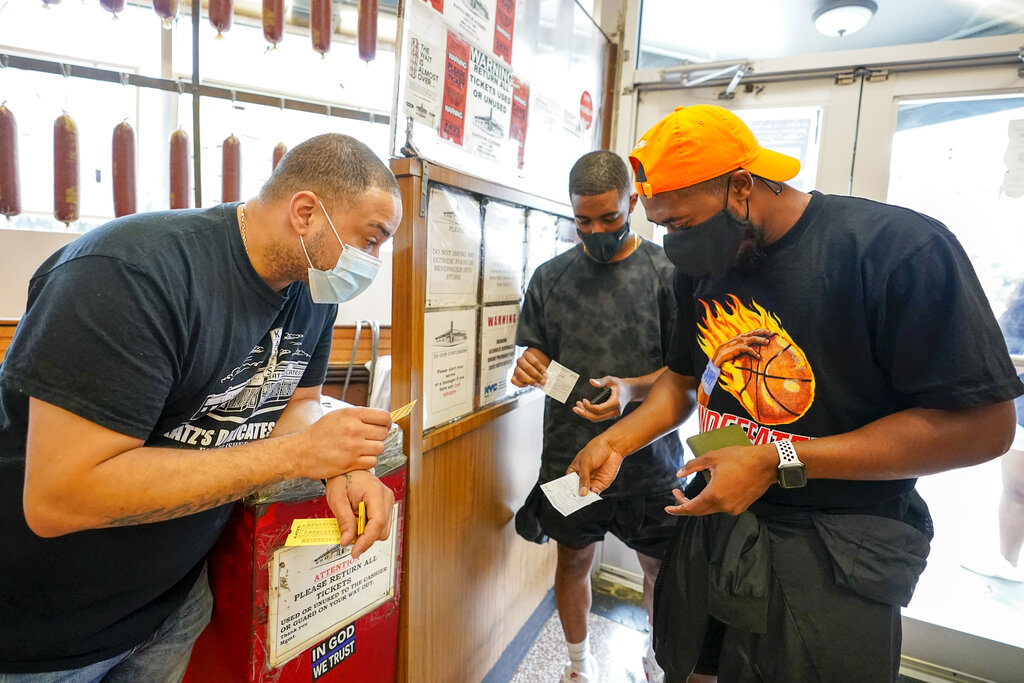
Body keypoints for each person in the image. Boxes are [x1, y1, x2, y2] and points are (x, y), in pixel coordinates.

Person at [568, 105, 1023, 681]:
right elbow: (684, 381)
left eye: (682, 224)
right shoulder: (702, 265)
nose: (673, 244)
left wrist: (775, 458)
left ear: (741, 186)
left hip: (836, 543)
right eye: (662, 226)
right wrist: (619, 438)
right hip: (718, 519)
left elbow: (983, 427)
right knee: (693, 664)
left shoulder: (892, 250)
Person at [0, 134, 402, 680]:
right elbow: (60, 497)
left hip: (173, 601)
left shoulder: (312, 290)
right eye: (371, 240)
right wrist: (298, 457)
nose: (372, 262)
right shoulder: (131, 274)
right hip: (50, 626)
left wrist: (343, 467)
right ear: (306, 212)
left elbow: (298, 402)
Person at [512, 150, 684, 683]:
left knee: (659, 571)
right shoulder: (550, 278)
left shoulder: (668, 274)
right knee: (572, 561)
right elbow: (536, 359)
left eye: (610, 218)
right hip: (570, 459)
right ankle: (577, 667)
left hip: (651, 460)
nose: (597, 231)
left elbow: (690, 376)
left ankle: (656, 664)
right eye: (583, 220)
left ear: (633, 202)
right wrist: (529, 364)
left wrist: (630, 391)